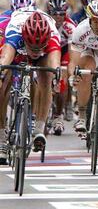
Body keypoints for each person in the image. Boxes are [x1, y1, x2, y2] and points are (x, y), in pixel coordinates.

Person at [0, 10, 61, 162]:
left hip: (44, 41)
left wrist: (56, 78)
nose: (35, 52)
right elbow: (5, 58)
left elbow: (55, 65)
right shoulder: (14, 33)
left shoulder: (53, 36)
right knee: (3, 82)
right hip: (17, 42)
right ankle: (1, 137)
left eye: (39, 48)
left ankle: (39, 128)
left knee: (47, 77)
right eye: (32, 47)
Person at [69, 0, 98, 148]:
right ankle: (82, 115)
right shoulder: (81, 30)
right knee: (85, 71)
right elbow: (74, 61)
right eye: (95, 21)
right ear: (89, 19)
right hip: (91, 53)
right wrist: (73, 75)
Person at [46, 0, 77, 131]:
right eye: (55, 13)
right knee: (45, 77)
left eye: (61, 14)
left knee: (62, 80)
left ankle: (58, 115)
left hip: (64, 50)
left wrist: (68, 67)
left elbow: (71, 51)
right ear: (49, 13)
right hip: (49, 49)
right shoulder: (45, 23)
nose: (58, 17)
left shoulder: (70, 27)